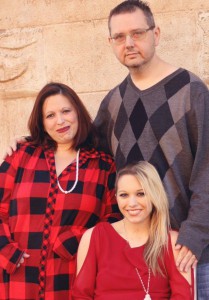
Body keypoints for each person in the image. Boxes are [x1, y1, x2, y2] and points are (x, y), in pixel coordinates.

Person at [93, 1, 209, 298]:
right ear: (110, 43)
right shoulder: (113, 103)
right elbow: (85, 155)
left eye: (137, 33)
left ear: (156, 34)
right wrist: (30, 142)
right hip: (135, 254)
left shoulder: (191, 92)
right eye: (119, 37)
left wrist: (194, 234)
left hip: (186, 252)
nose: (129, 43)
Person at [0, 82, 121, 300]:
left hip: (71, 278)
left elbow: (115, 219)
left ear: (78, 113)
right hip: (17, 276)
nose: (60, 121)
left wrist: (77, 239)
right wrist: (6, 251)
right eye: (50, 115)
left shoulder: (103, 166)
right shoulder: (21, 156)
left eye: (66, 111)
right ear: (42, 123)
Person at [72, 161, 194, 299]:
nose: (132, 203)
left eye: (141, 194)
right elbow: (81, 295)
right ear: (116, 197)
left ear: (155, 195)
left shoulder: (172, 242)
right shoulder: (94, 237)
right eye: (124, 195)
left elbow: (183, 296)